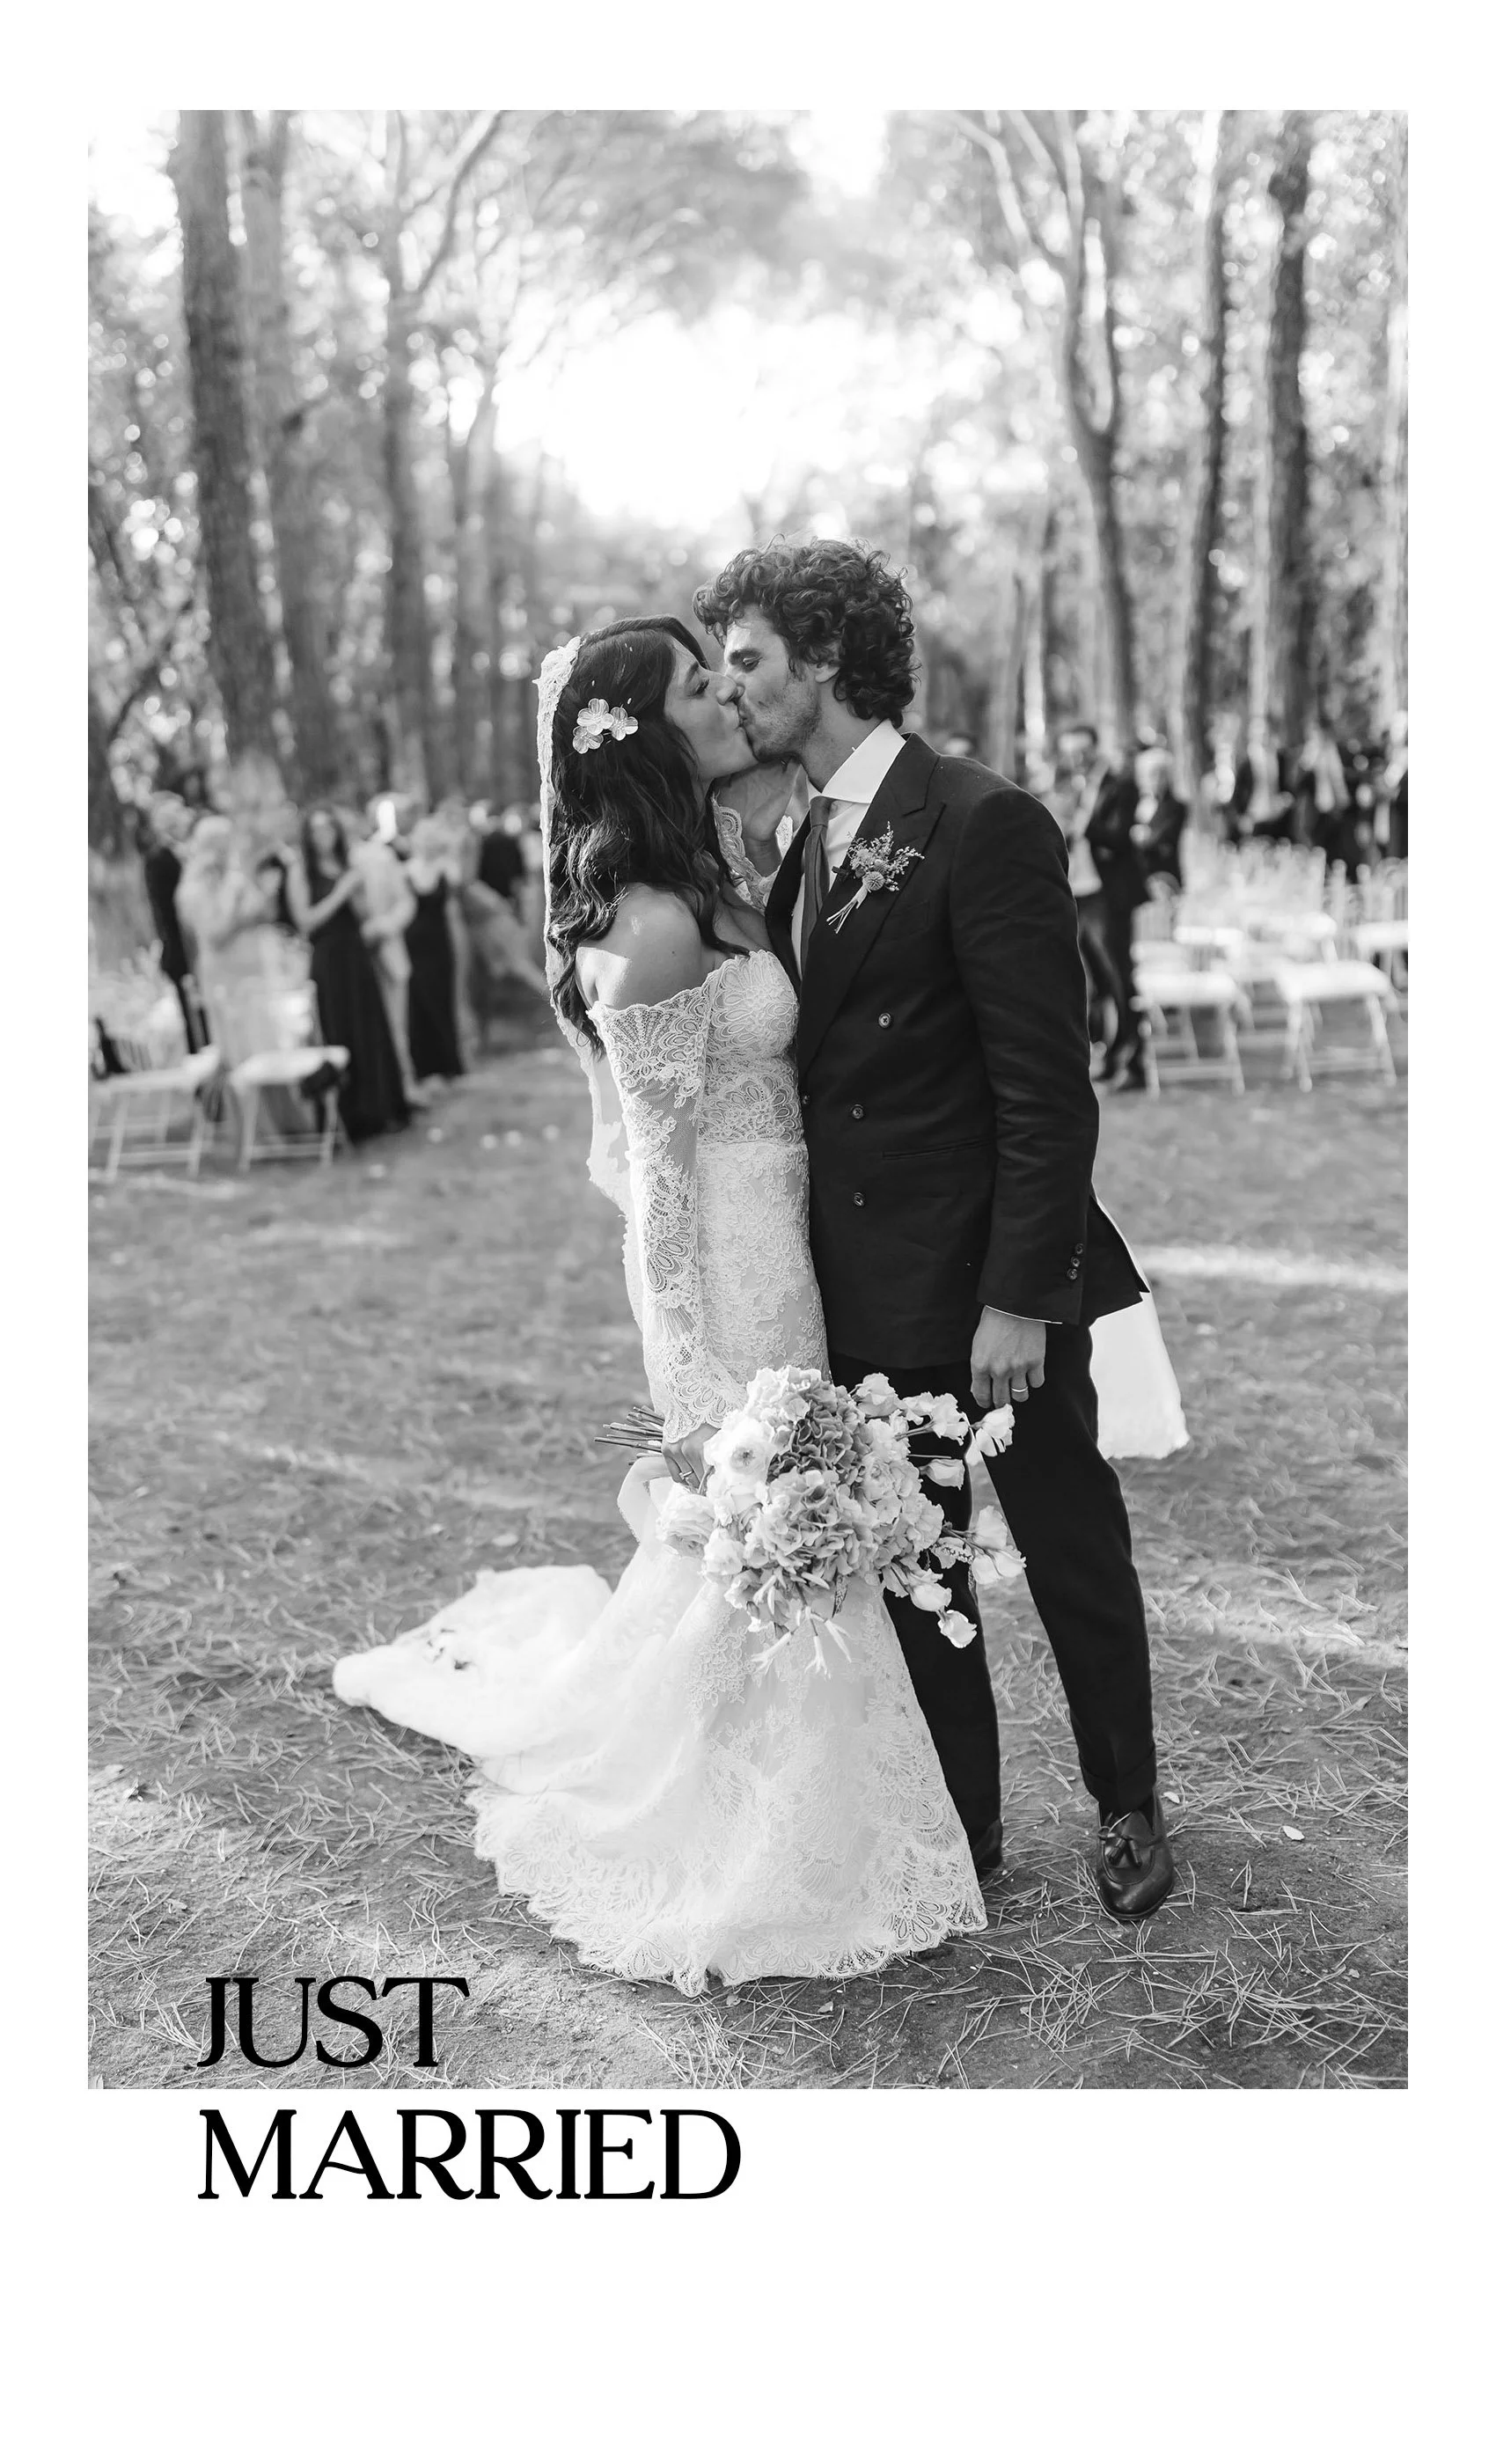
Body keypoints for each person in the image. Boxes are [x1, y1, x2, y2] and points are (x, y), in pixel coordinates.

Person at [334, 615, 988, 1993]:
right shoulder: (647, 921)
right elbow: (662, 1174)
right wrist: (690, 1376)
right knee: (754, 1511)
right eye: (702, 685)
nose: (729, 697)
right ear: (641, 733)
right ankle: (746, 1827)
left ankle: (806, 1799)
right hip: (727, 1267)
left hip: (788, 1240)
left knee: (792, 1507)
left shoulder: (715, 874)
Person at [698, 538, 1179, 1917]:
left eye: (749, 661)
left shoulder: (981, 818)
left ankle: (1129, 1802)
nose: (731, 688)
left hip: (990, 1280)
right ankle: (969, 1831)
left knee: (1071, 1548)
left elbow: (1046, 1086)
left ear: (826, 662)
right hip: (865, 1285)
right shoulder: (792, 841)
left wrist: (1022, 1293)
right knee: (922, 1565)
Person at [285, 809, 411, 1144]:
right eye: (316, 830)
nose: (323, 835)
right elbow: (306, 922)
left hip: (357, 956)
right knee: (341, 1029)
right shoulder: (301, 871)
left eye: (328, 828)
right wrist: (340, 891)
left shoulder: (346, 865)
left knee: (370, 1028)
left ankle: (384, 1109)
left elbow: (362, 914)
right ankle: (353, 1116)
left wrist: (358, 895)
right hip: (329, 960)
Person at [1060, 725, 1149, 1089]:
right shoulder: (1076, 788)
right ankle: (1111, 1053)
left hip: (1109, 895)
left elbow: (1118, 837)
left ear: (1095, 749)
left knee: (1120, 978)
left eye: (1082, 750)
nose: (1077, 758)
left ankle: (1135, 1062)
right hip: (1080, 893)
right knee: (1095, 983)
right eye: (1071, 752)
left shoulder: (1120, 786)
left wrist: (1081, 825)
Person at [346, 803, 422, 1105]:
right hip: (345, 962)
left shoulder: (380, 856)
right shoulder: (326, 866)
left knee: (396, 1024)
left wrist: (383, 927)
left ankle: (403, 1089)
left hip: (386, 951)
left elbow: (406, 902)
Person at [140, 793, 207, 1052]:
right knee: (198, 1028)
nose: (185, 816)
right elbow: (167, 914)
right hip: (184, 955)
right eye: (177, 813)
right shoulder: (159, 860)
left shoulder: (197, 850)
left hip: (209, 949)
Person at [402, 815, 466, 1086]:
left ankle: (448, 1063)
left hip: (440, 944)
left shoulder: (447, 869)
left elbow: (454, 906)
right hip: (413, 944)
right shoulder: (405, 870)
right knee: (420, 1001)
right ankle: (424, 1067)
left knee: (442, 999)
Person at [1131, 744, 1188, 890]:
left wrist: (1146, 837)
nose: (1157, 780)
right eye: (1152, 774)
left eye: (1162, 774)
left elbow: (1165, 838)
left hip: (1167, 875)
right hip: (1143, 878)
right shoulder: (1139, 804)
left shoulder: (1176, 806)